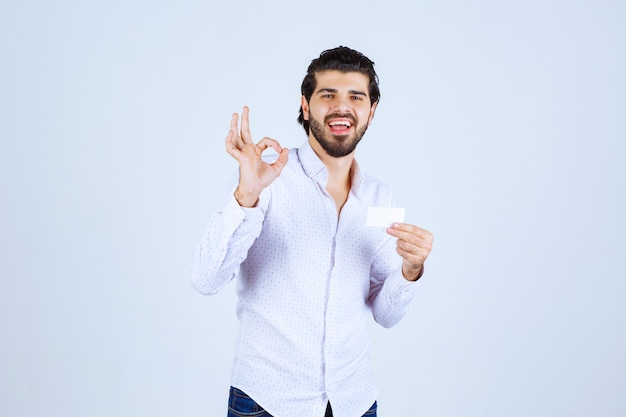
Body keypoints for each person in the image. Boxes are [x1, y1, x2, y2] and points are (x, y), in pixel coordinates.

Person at [191, 46, 433, 417]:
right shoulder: (264, 176)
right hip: (266, 401)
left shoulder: (379, 196)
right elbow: (206, 279)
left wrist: (410, 271)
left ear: (371, 111)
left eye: (356, 96)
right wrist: (246, 196)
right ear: (305, 106)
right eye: (328, 95)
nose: (342, 107)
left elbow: (386, 315)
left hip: (355, 401)